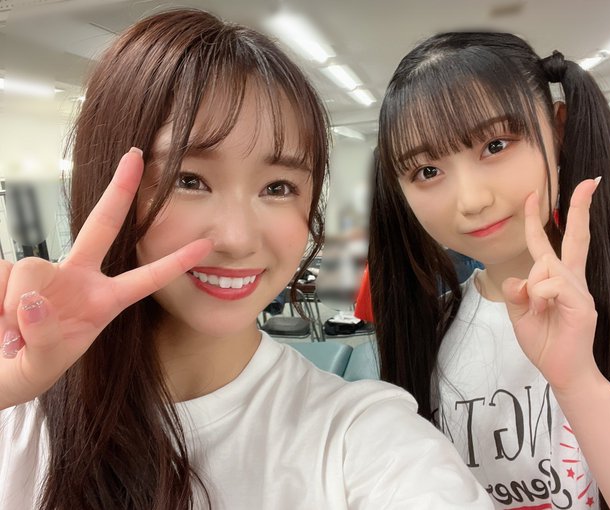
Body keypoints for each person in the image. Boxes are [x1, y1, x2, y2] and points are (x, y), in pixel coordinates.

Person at [0, 11, 493, 509]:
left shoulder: (360, 440)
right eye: (188, 180)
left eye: (278, 188)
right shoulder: (17, 411)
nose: (237, 240)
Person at [368, 31, 610, 509]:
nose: (472, 200)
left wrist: (580, 382)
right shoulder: (429, 330)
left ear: (558, 130)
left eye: (496, 145)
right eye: (427, 172)